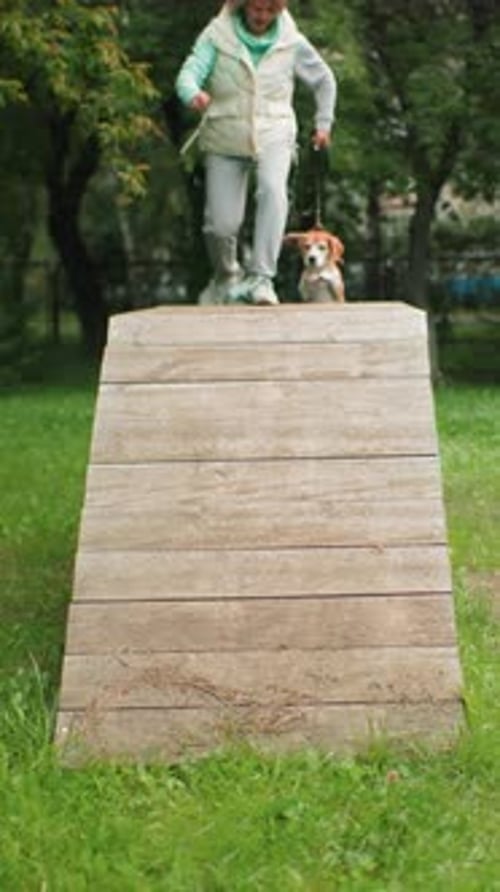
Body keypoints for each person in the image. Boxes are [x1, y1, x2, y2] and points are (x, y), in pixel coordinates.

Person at [175, 0, 337, 305]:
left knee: (273, 192)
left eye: (269, 11)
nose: (262, 17)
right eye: (256, 9)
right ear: (243, 6)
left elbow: (324, 80)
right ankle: (226, 275)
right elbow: (189, 73)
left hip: (274, 130)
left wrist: (323, 124)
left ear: (279, 10)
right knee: (220, 225)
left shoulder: (291, 41)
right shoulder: (217, 35)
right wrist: (192, 93)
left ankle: (262, 278)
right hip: (225, 134)